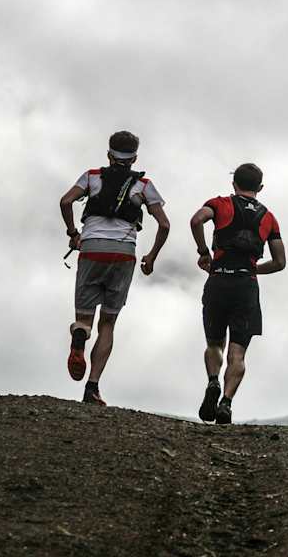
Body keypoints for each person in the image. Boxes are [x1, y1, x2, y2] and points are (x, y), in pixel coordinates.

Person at [59, 130, 170, 405]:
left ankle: (80, 333)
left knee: (85, 318)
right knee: (108, 322)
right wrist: (152, 256)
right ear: (135, 157)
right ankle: (92, 387)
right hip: (123, 253)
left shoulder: (92, 176)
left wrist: (73, 232)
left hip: (92, 248)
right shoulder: (144, 185)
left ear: (109, 154)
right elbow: (164, 224)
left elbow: (65, 201)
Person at [190, 163, 286, 424]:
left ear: (234, 184)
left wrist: (203, 252)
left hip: (218, 279)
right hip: (246, 285)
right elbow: (280, 262)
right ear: (261, 188)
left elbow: (196, 219)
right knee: (238, 353)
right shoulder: (269, 218)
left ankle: (212, 382)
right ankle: (227, 402)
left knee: (214, 343)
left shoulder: (220, 204)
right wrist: (254, 269)